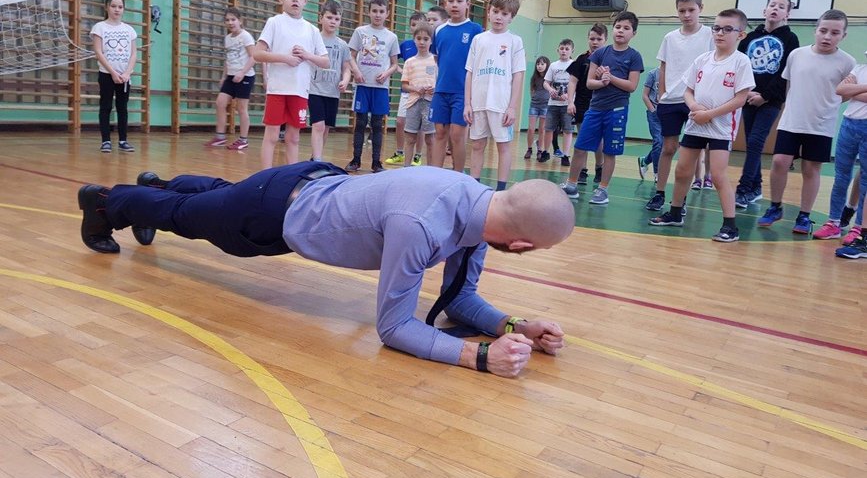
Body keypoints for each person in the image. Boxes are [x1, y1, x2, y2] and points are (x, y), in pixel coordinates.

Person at [76, 165, 574, 377]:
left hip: (307, 183)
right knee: (187, 218)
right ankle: (104, 202)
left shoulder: (481, 206)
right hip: (273, 213)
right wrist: (478, 357)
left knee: (217, 198)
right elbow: (394, 328)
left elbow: (458, 301)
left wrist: (514, 326)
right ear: (520, 244)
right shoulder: (421, 224)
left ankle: (157, 186)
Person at [649, 9, 755, 242]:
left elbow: (740, 98)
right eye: (717, 28)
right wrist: (695, 106)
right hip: (696, 124)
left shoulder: (741, 62)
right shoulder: (702, 60)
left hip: (721, 128)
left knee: (717, 175)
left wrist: (710, 114)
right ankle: (675, 212)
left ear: (740, 34)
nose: (720, 33)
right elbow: (688, 90)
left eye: (727, 29)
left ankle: (730, 225)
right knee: (682, 170)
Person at [758, 10, 857, 234]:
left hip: (821, 125)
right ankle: (775, 207)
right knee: (779, 162)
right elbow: (789, 85)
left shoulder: (847, 62)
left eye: (834, 33)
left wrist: (828, 105)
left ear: (843, 35)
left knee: (811, 169)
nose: (827, 37)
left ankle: (804, 215)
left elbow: (847, 93)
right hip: (792, 121)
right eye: (823, 31)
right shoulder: (797, 55)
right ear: (815, 30)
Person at [562, 12, 643, 203]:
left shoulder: (634, 56)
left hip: (617, 110)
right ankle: (571, 184)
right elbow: (590, 83)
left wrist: (610, 78)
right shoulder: (600, 54)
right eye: (618, 27)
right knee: (580, 147)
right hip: (595, 109)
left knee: (609, 151)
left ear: (633, 33)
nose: (621, 31)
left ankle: (603, 190)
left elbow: (632, 86)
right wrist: (602, 81)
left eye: (626, 28)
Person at [645, 0, 714, 212]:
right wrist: (662, 94)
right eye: (682, 10)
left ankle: (680, 199)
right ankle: (659, 192)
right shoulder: (670, 38)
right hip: (671, 101)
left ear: (700, 9)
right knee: (668, 148)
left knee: (690, 152)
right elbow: (663, 67)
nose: (686, 14)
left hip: (696, 102)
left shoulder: (710, 35)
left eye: (691, 10)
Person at [253, 0, 330, 169]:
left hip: (300, 91)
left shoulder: (311, 30)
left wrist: (306, 55)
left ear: (305, 0)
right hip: (277, 89)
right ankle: (265, 176)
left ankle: (291, 177)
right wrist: (285, 58)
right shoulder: (274, 22)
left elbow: (325, 62)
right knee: (271, 135)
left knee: (293, 137)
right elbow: (257, 53)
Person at [734, 0, 800, 208]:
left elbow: (785, 72)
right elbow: (740, 64)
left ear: (787, 14)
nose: (775, 9)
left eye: (781, 7)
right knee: (751, 141)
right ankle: (756, 188)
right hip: (748, 97)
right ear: (765, 10)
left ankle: (743, 189)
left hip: (770, 100)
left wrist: (765, 96)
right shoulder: (750, 37)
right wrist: (747, 92)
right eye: (772, 5)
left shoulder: (791, 39)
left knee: (756, 141)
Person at [463, 0, 526, 191]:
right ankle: (475, 187)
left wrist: (512, 107)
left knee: (503, 146)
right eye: (496, 11)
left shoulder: (515, 41)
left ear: (511, 17)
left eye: (504, 13)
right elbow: (469, 73)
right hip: (478, 103)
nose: (499, 17)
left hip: (501, 104)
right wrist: (467, 104)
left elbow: (518, 75)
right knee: (477, 145)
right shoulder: (478, 40)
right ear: (489, 11)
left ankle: (501, 190)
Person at [430, 0, 484, 172]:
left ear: (468, 3)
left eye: (459, 1)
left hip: (462, 92)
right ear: (445, 3)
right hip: (441, 90)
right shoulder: (439, 30)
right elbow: (437, 58)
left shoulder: (476, 30)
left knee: (457, 135)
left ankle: (458, 175)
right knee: (439, 133)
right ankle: (435, 176)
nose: (455, 4)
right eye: (451, 0)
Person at [814, 60, 867, 246]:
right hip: (849, 124)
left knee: (865, 180)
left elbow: (847, 91)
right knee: (841, 176)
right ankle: (833, 222)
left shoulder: (858, 73)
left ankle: (859, 227)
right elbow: (841, 90)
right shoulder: (859, 68)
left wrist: (853, 90)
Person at [346, 0, 400, 173]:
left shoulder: (391, 37)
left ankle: (376, 163)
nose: (378, 14)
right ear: (368, 12)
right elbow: (351, 56)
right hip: (363, 86)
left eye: (381, 11)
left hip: (380, 88)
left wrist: (386, 74)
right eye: (374, 11)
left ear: (387, 13)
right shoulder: (360, 32)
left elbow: (395, 64)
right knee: (360, 123)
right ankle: (356, 160)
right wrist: (356, 72)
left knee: (377, 124)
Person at [91, 0, 137, 154]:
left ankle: (123, 140)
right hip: (106, 74)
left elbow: (133, 54)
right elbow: (98, 52)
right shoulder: (99, 27)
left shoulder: (129, 30)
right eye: (113, 6)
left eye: (120, 7)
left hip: (124, 76)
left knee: (122, 108)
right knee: (106, 106)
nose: (117, 9)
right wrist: (112, 72)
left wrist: (127, 73)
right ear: (107, 7)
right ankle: (106, 141)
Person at [205, 7, 257, 151]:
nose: (230, 22)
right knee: (220, 103)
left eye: (233, 19)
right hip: (231, 76)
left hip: (245, 76)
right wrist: (224, 76)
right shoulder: (228, 38)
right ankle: (220, 137)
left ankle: (243, 139)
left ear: (240, 21)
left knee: (241, 108)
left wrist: (242, 72)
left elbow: (254, 57)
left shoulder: (246, 36)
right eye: (227, 20)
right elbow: (228, 59)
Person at [308, 0, 353, 161]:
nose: (333, 21)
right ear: (320, 18)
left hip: (332, 92)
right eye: (329, 17)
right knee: (318, 125)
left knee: (326, 127)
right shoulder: (313, 40)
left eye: (336, 19)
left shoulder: (342, 45)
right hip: (315, 90)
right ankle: (317, 161)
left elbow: (346, 68)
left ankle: (315, 157)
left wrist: (345, 80)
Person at [385, 11, 427, 167]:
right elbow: (393, 62)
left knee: (420, 125)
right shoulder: (405, 45)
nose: (416, 27)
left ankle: (417, 155)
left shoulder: (428, 45)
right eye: (413, 25)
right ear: (410, 27)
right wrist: (403, 72)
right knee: (400, 121)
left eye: (419, 24)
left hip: (423, 94)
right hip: (407, 91)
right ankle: (399, 153)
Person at [567, 24, 607, 185]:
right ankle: (582, 170)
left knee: (598, 139)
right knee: (582, 137)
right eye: (592, 39)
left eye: (599, 39)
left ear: (605, 40)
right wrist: (570, 102)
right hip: (582, 104)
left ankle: (599, 167)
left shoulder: (608, 59)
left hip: (601, 103)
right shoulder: (582, 59)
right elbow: (572, 82)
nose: (595, 42)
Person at [400, 23, 437, 166]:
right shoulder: (410, 62)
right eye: (419, 38)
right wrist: (415, 89)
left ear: (431, 41)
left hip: (430, 103)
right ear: (414, 39)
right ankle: (406, 167)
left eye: (426, 39)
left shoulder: (436, 60)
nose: (422, 42)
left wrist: (434, 89)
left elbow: (440, 81)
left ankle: (431, 169)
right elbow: (404, 85)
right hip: (413, 103)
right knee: (410, 138)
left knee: (430, 139)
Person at [538, 39, 575, 167]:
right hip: (553, 104)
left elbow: (577, 83)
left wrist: (569, 96)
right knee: (548, 128)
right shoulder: (553, 65)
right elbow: (546, 82)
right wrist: (550, 90)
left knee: (567, 130)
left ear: (572, 51)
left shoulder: (574, 65)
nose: (564, 51)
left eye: (567, 49)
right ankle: (546, 151)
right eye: (562, 48)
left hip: (567, 105)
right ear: (558, 50)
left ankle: (566, 155)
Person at [637, 66, 662, 182]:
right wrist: (652, 110)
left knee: (665, 145)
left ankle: (645, 161)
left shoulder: (674, 74)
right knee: (658, 142)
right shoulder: (653, 74)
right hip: (654, 114)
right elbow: (645, 95)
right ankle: (657, 173)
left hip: (668, 114)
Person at [525, 56, 550, 159]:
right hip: (534, 105)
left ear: (547, 65)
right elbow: (532, 90)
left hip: (545, 106)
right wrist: (534, 98)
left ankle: (540, 150)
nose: (539, 66)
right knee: (531, 129)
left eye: (542, 64)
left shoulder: (549, 78)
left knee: (542, 130)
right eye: (538, 64)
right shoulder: (534, 78)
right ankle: (529, 149)